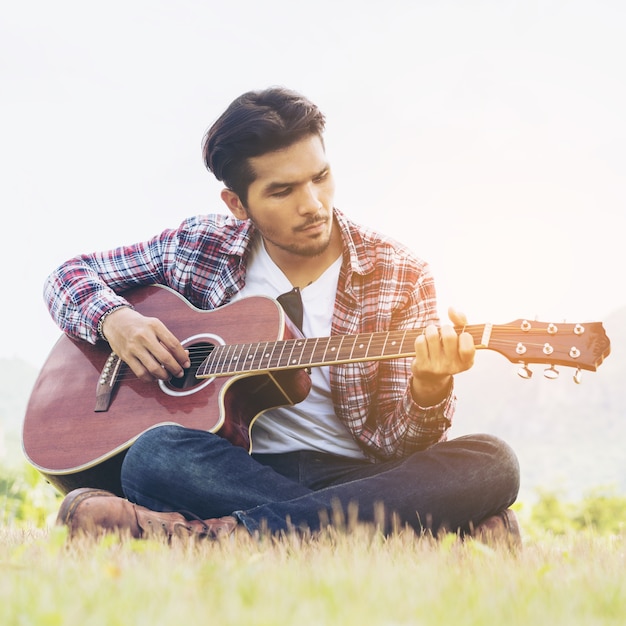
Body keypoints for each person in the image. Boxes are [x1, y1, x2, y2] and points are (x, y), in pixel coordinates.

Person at [46, 87, 520, 546]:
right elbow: (68, 276)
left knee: (492, 462)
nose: (312, 204)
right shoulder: (198, 247)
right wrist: (117, 320)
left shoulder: (400, 273)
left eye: (320, 177)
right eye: (282, 191)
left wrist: (430, 388)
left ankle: (225, 533)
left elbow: (399, 449)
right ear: (237, 204)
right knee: (154, 456)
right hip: (233, 468)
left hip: (354, 473)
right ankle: (407, 534)